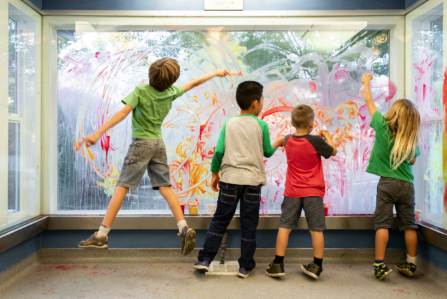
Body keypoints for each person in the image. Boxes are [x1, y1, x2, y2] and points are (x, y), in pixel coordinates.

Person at [78, 58, 230, 256]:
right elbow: (194, 83)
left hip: (141, 144)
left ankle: (101, 235)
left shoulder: (141, 91)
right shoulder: (170, 93)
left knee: (122, 186)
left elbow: (123, 113)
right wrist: (215, 72)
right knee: (165, 187)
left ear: (150, 75)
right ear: (172, 81)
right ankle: (183, 227)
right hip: (159, 144)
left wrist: (99, 132)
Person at [193, 80, 285, 278]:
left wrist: (215, 174)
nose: (262, 103)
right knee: (249, 224)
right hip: (252, 182)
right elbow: (267, 152)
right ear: (254, 103)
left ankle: (204, 259)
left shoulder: (229, 123)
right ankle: (245, 266)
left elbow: (218, 152)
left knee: (219, 220)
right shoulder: (261, 125)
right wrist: (278, 142)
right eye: (262, 100)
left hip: (230, 180)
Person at [265, 104, 336, 280]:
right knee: (316, 230)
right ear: (312, 125)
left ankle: (277, 264)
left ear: (292, 122)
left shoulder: (288, 140)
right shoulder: (317, 141)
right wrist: (327, 136)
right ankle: (316, 266)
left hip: (292, 192)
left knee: (284, 227)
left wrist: (274, 144)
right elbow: (333, 150)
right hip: (313, 193)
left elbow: (280, 142)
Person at [361, 74, 421, 280]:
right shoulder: (411, 138)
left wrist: (366, 82)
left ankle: (379, 265)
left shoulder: (380, 124)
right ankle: (411, 264)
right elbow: (412, 161)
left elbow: (369, 100)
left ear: (393, 112)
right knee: (409, 225)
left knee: (383, 224)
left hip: (387, 184)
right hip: (407, 185)